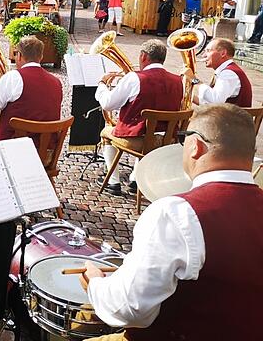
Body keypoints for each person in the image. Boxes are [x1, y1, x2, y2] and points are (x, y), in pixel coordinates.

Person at [81, 103, 263, 341]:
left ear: (195, 147)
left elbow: (131, 309)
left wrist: (94, 284)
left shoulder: (176, 213)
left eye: (183, 138)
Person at [95, 40, 182, 195]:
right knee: (148, 130)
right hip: (165, 140)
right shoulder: (178, 80)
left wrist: (102, 84)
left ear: (143, 56)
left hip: (138, 140)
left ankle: (113, 182)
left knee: (106, 132)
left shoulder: (134, 78)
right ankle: (136, 179)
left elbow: (108, 104)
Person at [0, 35, 62, 142]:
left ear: (19, 56)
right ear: (40, 57)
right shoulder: (56, 82)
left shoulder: (13, 77)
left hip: (13, 149)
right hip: (46, 150)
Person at [182, 38, 252, 107]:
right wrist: (187, 95)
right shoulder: (227, 71)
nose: (204, 55)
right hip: (227, 116)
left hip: (231, 118)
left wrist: (194, 80)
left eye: (208, 51)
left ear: (223, 53)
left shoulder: (229, 73)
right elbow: (212, 104)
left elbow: (216, 101)